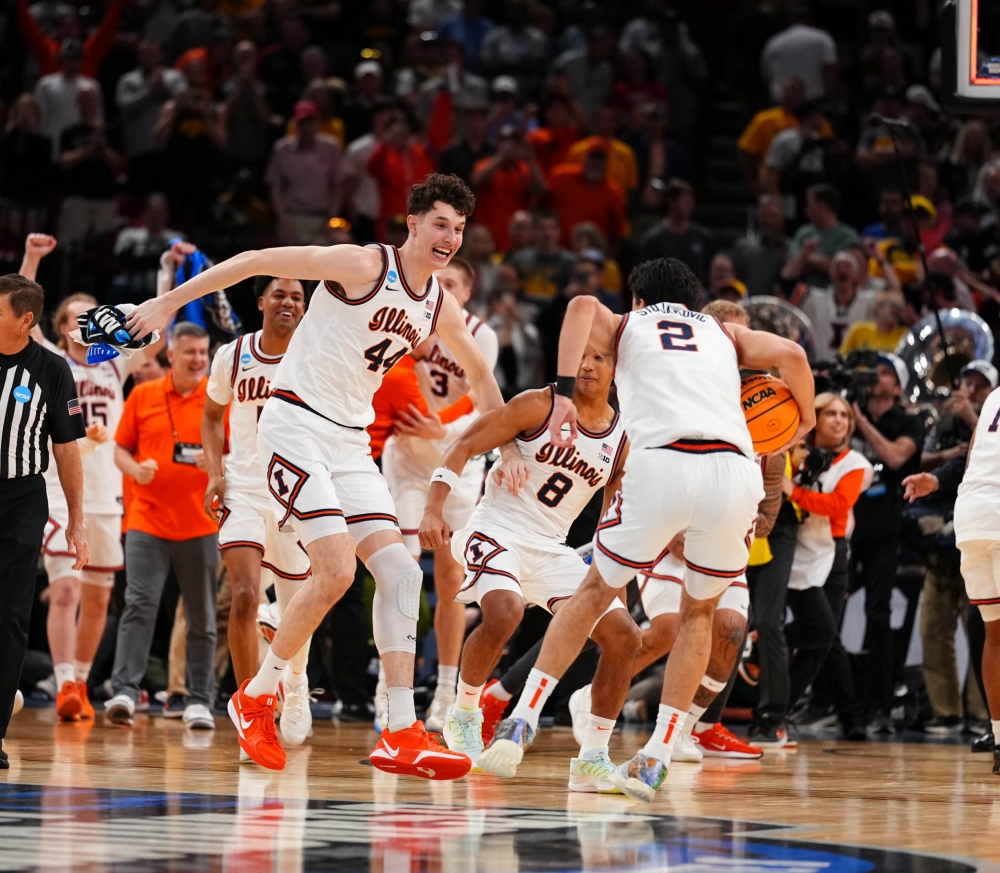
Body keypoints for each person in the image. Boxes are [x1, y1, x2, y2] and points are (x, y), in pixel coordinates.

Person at [123, 174, 518, 779]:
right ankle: (257, 696)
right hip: (295, 425)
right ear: (412, 223)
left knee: (402, 573)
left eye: (459, 229)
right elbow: (255, 259)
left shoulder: (440, 302)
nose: (450, 238)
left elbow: (483, 379)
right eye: (440, 224)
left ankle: (400, 728)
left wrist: (510, 441)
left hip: (349, 441)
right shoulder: (361, 265)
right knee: (334, 569)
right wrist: (167, 303)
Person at [475, 258, 814, 800]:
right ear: (693, 301)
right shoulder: (724, 332)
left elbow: (582, 306)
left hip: (662, 462)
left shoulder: (629, 322)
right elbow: (793, 355)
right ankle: (657, 754)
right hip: (733, 471)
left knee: (594, 592)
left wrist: (563, 390)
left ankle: (524, 716)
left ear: (636, 299)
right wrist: (807, 422)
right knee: (700, 613)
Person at [419, 348, 638, 792]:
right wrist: (433, 509)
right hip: (496, 529)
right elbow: (463, 444)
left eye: (599, 357)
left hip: (553, 549)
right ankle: (464, 713)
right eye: (581, 356)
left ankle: (593, 758)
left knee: (625, 636)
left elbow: (611, 509)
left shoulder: (621, 436)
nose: (587, 365)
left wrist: (612, 576)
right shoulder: (539, 404)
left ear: (618, 368)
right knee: (505, 611)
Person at [379, 257, 498, 732]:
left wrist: (442, 425)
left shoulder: (479, 333)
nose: (441, 287)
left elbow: (486, 400)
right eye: (437, 281)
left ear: (466, 293)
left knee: (453, 581)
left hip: (458, 463)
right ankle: (392, 689)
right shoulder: (408, 316)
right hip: (408, 460)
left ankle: (446, 690)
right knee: (400, 573)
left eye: (450, 283)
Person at [202, 276, 314, 750]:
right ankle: (254, 712)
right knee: (245, 596)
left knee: (297, 607)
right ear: (262, 302)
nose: (289, 302)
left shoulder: (316, 356)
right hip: (245, 487)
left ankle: (298, 683)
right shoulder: (232, 354)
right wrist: (213, 471)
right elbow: (211, 416)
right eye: (281, 294)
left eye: (298, 297)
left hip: (296, 489)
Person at [106, 320, 220, 730]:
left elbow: (241, 453)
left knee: (202, 617)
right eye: (190, 351)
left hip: (203, 523)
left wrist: (217, 464)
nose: (198, 359)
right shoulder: (145, 394)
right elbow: (119, 450)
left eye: (203, 352)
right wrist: (135, 471)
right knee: (139, 606)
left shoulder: (218, 398)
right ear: (171, 355)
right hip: (147, 522)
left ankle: (200, 700)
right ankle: (123, 690)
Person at [0, 272, 88, 769]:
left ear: (24, 321)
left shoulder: (52, 370)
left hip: (22, 497)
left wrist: (76, 521)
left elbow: (66, 448)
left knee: (10, 616)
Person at [903, 383, 1000, 773]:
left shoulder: (994, 396)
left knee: (995, 636)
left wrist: (937, 480)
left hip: (973, 515)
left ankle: (999, 739)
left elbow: (974, 455)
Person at [780, 394, 872, 741]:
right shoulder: (793, 454)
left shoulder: (856, 463)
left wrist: (793, 491)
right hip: (790, 547)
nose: (839, 421)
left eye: (844, 415)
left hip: (831, 551)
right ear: (814, 418)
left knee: (824, 636)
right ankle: (785, 709)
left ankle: (783, 707)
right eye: (830, 414)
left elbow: (837, 505)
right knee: (823, 634)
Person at [844, 353, 923, 732]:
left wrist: (860, 422)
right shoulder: (845, 410)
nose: (876, 376)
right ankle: (838, 703)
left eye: (887, 372)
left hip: (885, 528)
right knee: (829, 613)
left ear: (899, 386)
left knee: (879, 614)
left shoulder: (908, 420)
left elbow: (894, 457)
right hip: (844, 523)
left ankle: (878, 704)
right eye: (874, 370)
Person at [267, 100, 343, 246]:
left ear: (318, 122)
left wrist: (329, 221)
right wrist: (284, 221)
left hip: (321, 218)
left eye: (310, 122)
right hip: (292, 217)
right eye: (302, 122)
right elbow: (275, 188)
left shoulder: (330, 147)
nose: (306, 127)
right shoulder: (283, 149)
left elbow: (337, 187)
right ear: (295, 123)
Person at [793, 251, 876, 362]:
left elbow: (897, 297)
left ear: (857, 274)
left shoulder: (870, 301)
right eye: (838, 266)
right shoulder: (813, 298)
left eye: (847, 266)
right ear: (830, 272)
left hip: (855, 369)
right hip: (819, 366)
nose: (842, 270)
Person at [637, 179, 715, 285]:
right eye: (685, 202)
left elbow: (708, 272)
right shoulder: (653, 240)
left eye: (691, 202)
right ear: (671, 203)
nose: (690, 206)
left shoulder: (703, 237)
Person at [781, 184, 860, 288]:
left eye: (810, 205)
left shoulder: (848, 236)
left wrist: (807, 257)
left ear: (824, 206)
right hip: (805, 295)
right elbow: (789, 272)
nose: (806, 211)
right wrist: (825, 261)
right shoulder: (803, 233)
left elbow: (846, 271)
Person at [839, 290, 907, 355]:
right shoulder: (859, 330)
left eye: (900, 308)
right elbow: (842, 356)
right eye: (893, 306)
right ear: (878, 308)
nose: (897, 310)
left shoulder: (904, 334)